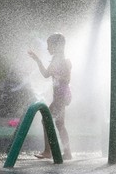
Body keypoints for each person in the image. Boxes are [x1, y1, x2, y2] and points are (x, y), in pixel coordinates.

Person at [28, 32, 72, 160]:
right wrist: (38, 60)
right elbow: (46, 74)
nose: (47, 48)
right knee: (60, 124)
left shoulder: (64, 61)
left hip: (61, 96)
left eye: (49, 45)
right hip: (61, 96)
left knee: (45, 120)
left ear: (57, 46)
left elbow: (67, 78)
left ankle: (48, 151)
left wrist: (60, 76)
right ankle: (67, 152)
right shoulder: (56, 60)